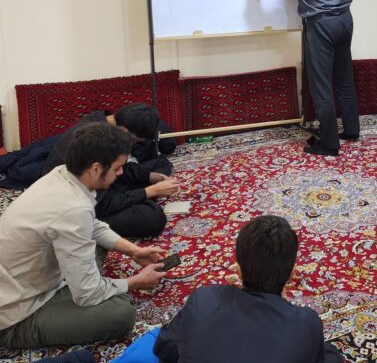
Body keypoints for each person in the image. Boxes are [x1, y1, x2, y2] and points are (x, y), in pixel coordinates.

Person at [0, 123, 167, 348]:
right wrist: (136, 282)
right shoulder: (73, 209)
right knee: (120, 314)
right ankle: (18, 332)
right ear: (96, 169)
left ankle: (87, 286)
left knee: (104, 241)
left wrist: (134, 251)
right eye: (118, 167)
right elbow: (88, 294)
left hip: (27, 279)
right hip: (14, 313)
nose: (121, 173)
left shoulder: (62, 174)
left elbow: (92, 224)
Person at [241, 0, 369, 156]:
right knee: (344, 78)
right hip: (344, 21)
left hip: (320, 25)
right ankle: (352, 130)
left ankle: (330, 144)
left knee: (321, 85)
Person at [153, 215, 343, 363]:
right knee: (330, 354)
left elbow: (165, 347)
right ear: (292, 274)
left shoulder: (204, 299)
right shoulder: (305, 323)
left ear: (237, 270)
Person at [42, 103, 180, 238]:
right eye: (134, 141)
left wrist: (150, 177)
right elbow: (101, 202)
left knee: (161, 165)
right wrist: (150, 191)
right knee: (152, 218)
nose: (133, 145)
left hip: (102, 185)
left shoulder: (105, 124)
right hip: (81, 205)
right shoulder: (96, 142)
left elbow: (119, 169)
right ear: (125, 131)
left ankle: (136, 198)